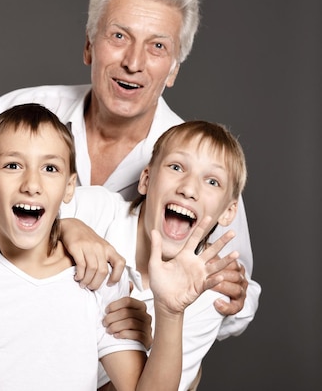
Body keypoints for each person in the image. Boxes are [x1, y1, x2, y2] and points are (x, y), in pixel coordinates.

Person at [0, 0, 260, 350]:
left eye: (158, 46)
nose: (134, 61)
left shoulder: (197, 164)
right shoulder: (20, 112)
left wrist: (233, 298)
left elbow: (228, 294)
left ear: (173, 69)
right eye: (119, 36)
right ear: (89, 45)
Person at [0, 104, 239, 391]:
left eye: (49, 169)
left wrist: (170, 313)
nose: (32, 184)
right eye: (13, 165)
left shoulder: (100, 275)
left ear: (69, 188)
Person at [61, 120, 248, 390]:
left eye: (212, 181)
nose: (189, 189)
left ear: (229, 212)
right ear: (146, 179)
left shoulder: (210, 296)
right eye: (176, 167)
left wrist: (156, 335)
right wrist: (66, 228)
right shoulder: (94, 209)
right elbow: (4, 231)